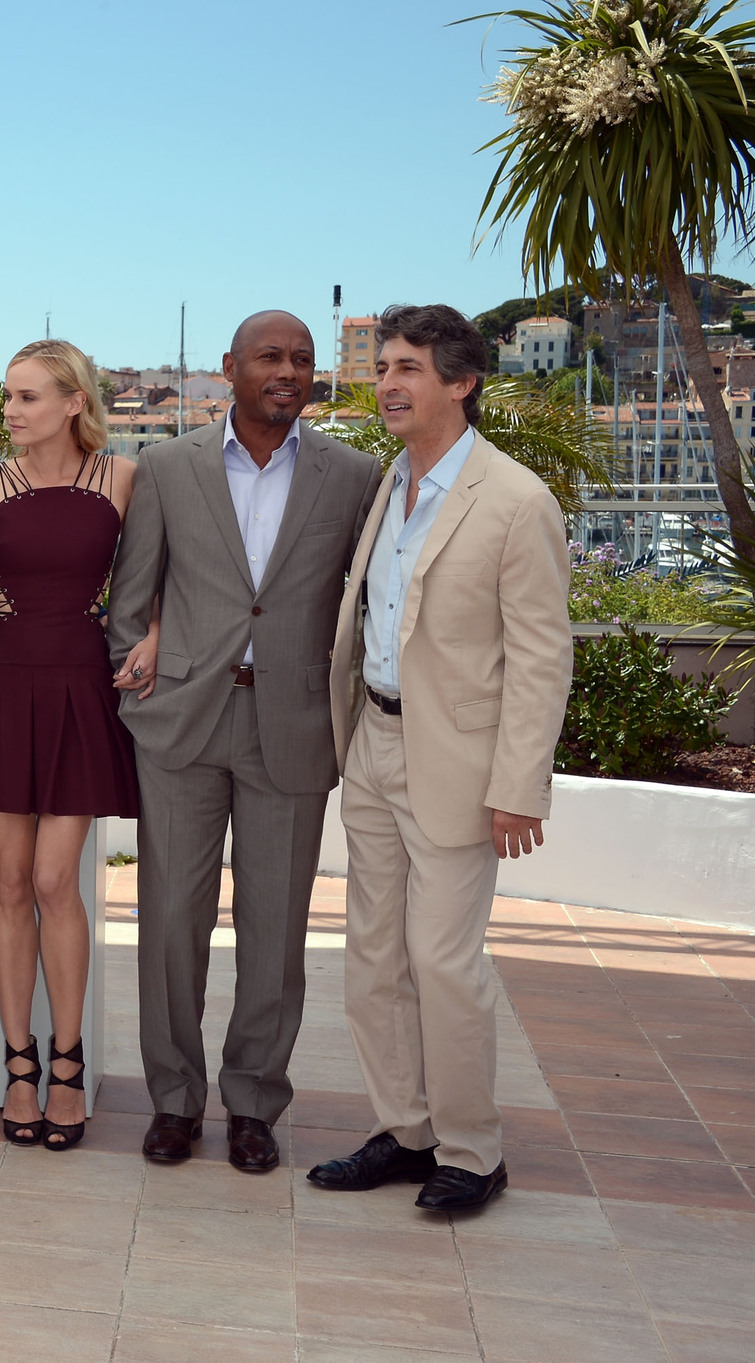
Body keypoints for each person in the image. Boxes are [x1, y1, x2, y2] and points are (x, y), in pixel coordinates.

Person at [105, 311, 382, 1171]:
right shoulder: (167, 466)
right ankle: (175, 1102)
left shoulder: (354, 475)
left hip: (293, 727)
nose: (289, 370)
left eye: (301, 358)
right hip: (184, 723)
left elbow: (367, 602)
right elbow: (130, 595)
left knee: (275, 929)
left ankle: (256, 1102)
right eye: (271, 356)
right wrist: (141, 673)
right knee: (170, 925)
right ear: (230, 368)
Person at [310, 304, 571, 1212]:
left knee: (444, 958)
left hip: (457, 763)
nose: (387, 382)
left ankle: (473, 1148)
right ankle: (405, 1129)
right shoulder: (393, 483)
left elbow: (541, 655)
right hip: (373, 744)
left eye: (408, 368)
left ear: (461, 383)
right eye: (383, 366)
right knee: (374, 954)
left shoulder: (515, 499)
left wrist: (520, 786)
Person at [0, 339, 139, 1152]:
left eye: (27, 398)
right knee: (12, 881)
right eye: (8, 397)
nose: (11, 412)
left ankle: (68, 1059)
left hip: (83, 684)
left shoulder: (125, 478)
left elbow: (153, 581)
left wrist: (152, 634)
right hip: (3, 679)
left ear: (72, 402)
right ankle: (18, 1061)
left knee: (59, 880)